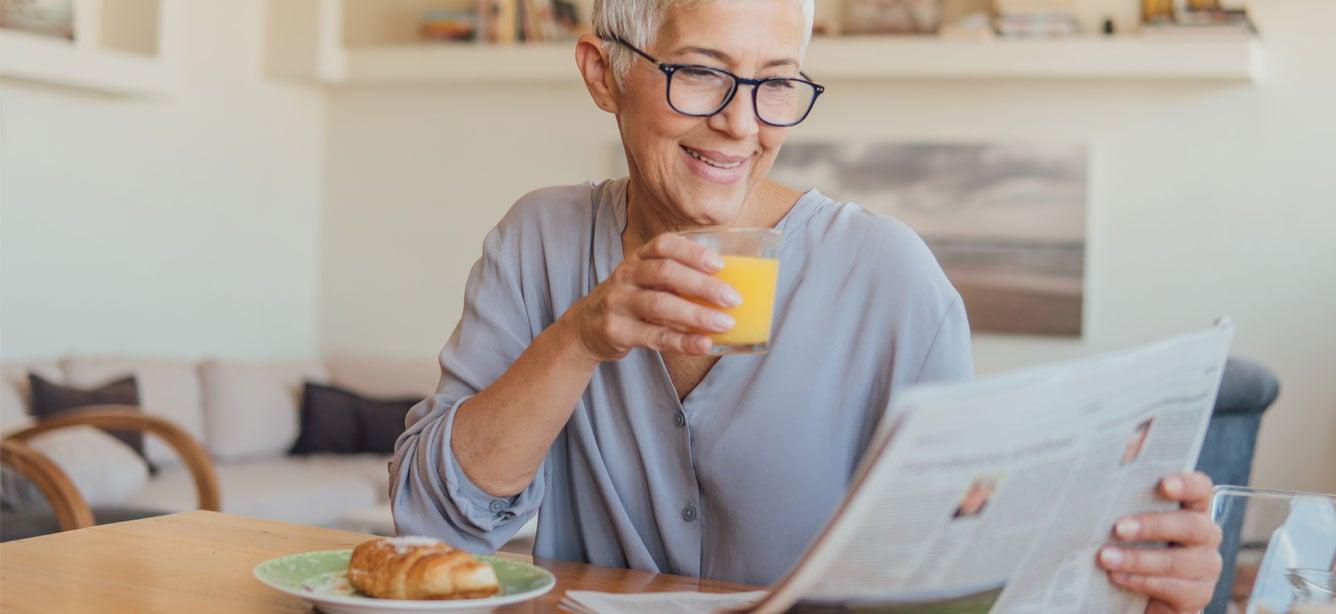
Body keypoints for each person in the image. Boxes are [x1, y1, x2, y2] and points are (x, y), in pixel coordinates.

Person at [389, 1, 1222, 610]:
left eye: (776, 84)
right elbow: (433, 521)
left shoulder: (889, 278)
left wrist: (1140, 582)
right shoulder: (541, 240)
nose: (740, 125)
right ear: (603, 74)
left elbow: (957, 562)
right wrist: (577, 340)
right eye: (701, 74)